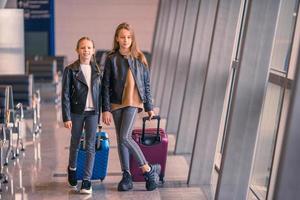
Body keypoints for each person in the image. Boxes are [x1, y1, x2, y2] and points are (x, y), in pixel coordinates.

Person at [102, 22, 161, 191]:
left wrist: (149, 106)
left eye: (129, 37)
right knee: (121, 140)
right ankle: (126, 175)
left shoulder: (140, 58)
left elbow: (146, 84)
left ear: (132, 38)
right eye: (122, 37)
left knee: (125, 137)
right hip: (115, 102)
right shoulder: (111, 58)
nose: (126, 40)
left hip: (133, 102)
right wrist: (105, 108)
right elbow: (105, 85)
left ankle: (147, 170)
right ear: (117, 38)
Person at [61, 36, 102, 194]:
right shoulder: (70, 70)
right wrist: (66, 117)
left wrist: (104, 111)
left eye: (89, 48)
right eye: (83, 47)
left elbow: (101, 93)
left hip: (93, 113)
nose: (86, 50)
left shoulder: (97, 70)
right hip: (76, 112)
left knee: (90, 145)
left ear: (93, 51)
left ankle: (86, 181)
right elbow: (65, 95)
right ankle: (72, 168)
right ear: (77, 50)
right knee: (75, 142)